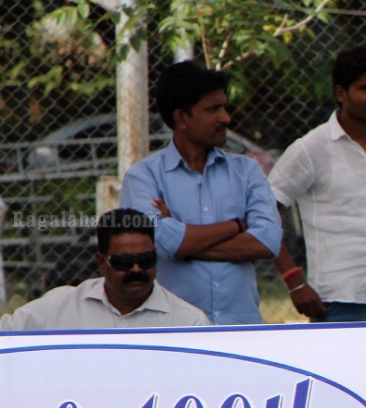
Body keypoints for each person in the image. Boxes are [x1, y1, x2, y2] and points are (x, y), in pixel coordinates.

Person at [268, 47, 366, 322]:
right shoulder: (310, 148)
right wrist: (294, 280)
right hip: (336, 300)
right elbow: (264, 211)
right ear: (341, 93)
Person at [119, 61, 282, 324]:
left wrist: (183, 240)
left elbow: (268, 241)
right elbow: (157, 240)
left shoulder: (247, 171)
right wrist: (237, 225)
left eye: (224, 107)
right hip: (174, 331)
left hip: (241, 329)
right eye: (213, 109)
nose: (226, 118)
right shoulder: (143, 177)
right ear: (181, 118)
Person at [0, 209, 210, 330]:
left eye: (146, 259)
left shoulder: (188, 323)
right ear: (101, 262)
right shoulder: (59, 308)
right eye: (123, 262)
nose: (136, 269)